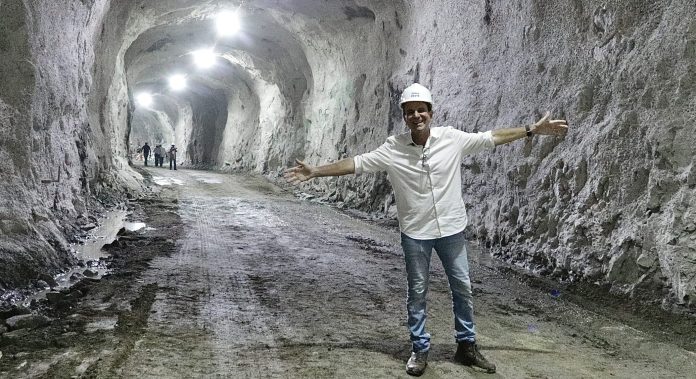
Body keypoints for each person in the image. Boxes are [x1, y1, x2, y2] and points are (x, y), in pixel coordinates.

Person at [284, 83, 568, 376]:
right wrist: (316, 170)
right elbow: (356, 163)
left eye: (421, 110)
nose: (416, 116)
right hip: (416, 233)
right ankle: (419, 349)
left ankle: (466, 347)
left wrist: (531, 129)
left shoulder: (452, 138)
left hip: (451, 229)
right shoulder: (392, 148)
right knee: (417, 292)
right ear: (404, 117)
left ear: (431, 112)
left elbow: (491, 137)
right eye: (410, 112)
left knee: (463, 287)